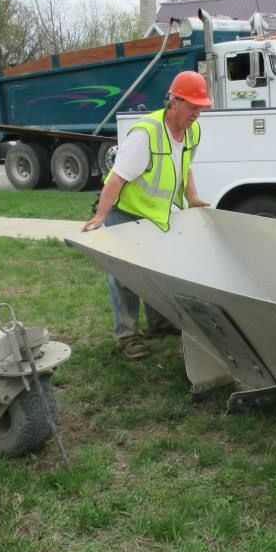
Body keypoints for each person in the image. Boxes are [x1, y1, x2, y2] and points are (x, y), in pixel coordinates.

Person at [83, 70, 212, 360]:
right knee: (124, 279)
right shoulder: (146, 134)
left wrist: (192, 198)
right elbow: (116, 178)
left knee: (157, 271)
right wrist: (100, 217)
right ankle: (127, 336)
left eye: (201, 107)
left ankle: (159, 322)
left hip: (157, 216)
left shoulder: (192, 131)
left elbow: (186, 165)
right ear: (174, 101)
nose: (197, 113)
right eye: (193, 106)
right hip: (125, 214)